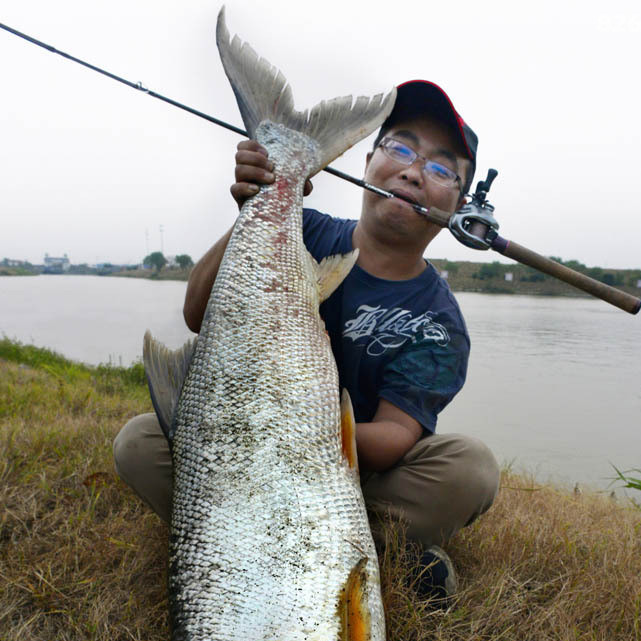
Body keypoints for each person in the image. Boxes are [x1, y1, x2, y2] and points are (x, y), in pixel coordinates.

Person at [113, 81, 500, 603]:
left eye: (440, 168)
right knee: (139, 444)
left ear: (457, 202)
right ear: (367, 160)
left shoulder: (439, 320)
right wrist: (258, 204)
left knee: (468, 469)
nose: (413, 171)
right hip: (245, 459)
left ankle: (293, 538)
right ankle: (383, 555)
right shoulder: (303, 228)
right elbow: (196, 313)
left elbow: (394, 435)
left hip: (357, 475)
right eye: (401, 148)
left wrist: (295, 430)